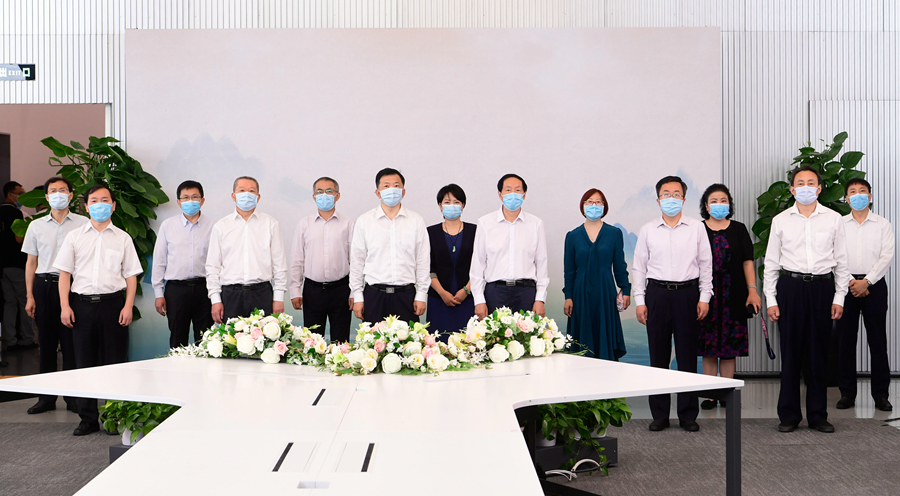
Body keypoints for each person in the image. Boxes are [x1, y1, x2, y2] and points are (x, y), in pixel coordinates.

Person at [764, 165, 850, 433]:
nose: (805, 187)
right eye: (800, 183)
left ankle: (817, 415)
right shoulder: (781, 220)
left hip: (822, 289)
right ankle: (789, 415)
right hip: (790, 289)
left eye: (811, 182)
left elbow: (842, 262)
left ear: (819, 188)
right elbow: (771, 263)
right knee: (790, 354)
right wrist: (771, 299)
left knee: (818, 354)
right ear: (792, 190)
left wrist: (839, 297)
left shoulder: (834, 219)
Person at [54, 184, 142, 436]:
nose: (99, 205)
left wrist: (128, 305)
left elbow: (131, 276)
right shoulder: (75, 237)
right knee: (84, 363)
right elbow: (64, 274)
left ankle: (114, 417)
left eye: (105, 200)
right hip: (81, 306)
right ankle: (88, 418)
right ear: (86, 206)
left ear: (113, 206)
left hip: (113, 305)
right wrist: (65, 306)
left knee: (115, 363)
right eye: (94, 200)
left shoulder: (123, 238)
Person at [633, 175, 712, 432]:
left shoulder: (696, 228)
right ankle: (660, 414)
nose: (671, 198)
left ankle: (688, 414)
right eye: (666, 194)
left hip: (688, 294)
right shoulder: (648, 229)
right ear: (658, 199)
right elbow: (639, 268)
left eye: (676, 194)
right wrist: (640, 301)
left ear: (684, 199)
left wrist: (704, 297)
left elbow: (705, 265)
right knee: (658, 356)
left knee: (687, 356)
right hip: (656, 294)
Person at [21, 177, 88, 414]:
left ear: (71, 195)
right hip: (44, 286)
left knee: (71, 345)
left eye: (63, 190)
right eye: (53, 191)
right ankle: (46, 398)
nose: (58, 194)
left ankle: (73, 398)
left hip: (72, 287)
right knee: (47, 345)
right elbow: (31, 262)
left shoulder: (83, 223)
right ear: (47, 197)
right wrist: (29, 295)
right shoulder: (36, 226)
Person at [696, 184, 761, 409]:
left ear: (729, 204)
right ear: (706, 206)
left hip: (734, 294)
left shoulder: (739, 229)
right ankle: (710, 395)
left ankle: (726, 393)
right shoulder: (697, 229)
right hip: (706, 295)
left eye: (723, 200)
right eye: (714, 201)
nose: (719, 204)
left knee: (729, 348)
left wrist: (752, 290)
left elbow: (747, 262)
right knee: (708, 348)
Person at [836, 178, 893, 412]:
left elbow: (887, 255)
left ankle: (881, 395)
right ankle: (847, 393)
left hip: (874, 285)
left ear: (870, 196)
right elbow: (834, 255)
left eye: (862, 191)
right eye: (852, 191)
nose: (857, 195)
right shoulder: (839, 224)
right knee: (845, 342)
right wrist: (852, 281)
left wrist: (867, 281)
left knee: (877, 341)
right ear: (846, 198)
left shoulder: (882, 224)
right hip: (846, 285)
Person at [350, 168, 430, 324]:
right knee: (372, 339)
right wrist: (358, 296)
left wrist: (421, 294)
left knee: (408, 339)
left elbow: (422, 260)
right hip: (374, 295)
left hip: (406, 295)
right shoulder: (365, 221)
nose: (391, 190)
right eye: (386, 186)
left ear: (403, 192)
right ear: (378, 193)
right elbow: (357, 261)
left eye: (396, 185)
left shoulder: (416, 220)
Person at [207, 176, 288, 322]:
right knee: (231, 336)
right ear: (233, 196)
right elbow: (212, 266)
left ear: (258, 197)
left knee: (264, 335)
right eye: (242, 190)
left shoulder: (271, 224)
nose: (247, 194)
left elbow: (279, 264)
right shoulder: (221, 226)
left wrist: (279, 298)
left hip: (262, 293)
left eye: (251, 191)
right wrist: (215, 299)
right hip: (230, 295)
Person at [563, 188, 631, 360]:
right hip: (580, 292)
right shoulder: (572, 236)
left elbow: (619, 265)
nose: (594, 205)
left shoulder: (614, 233)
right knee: (582, 337)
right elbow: (569, 270)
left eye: (598, 202)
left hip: (605, 290)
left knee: (604, 332)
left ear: (604, 206)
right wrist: (568, 296)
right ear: (583, 206)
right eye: (589, 202)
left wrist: (625, 289)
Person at [470, 173, 549, 319]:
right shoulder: (485, 223)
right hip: (495, 292)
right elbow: (478, 264)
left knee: (527, 333)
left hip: (526, 292)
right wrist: (479, 300)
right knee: (494, 333)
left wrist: (540, 299)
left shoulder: (536, 224)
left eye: (517, 190)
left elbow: (541, 263)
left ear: (524, 194)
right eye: (508, 190)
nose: (513, 193)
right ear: (500, 194)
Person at [290, 177, 354, 342]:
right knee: (312, 342)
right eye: (319, 191)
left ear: (337, 195)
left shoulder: (348, 224)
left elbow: (355, 260)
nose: (324, 195)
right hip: (313, 291)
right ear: (314, 196)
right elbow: (297, 259)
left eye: (329, 191)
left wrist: (354, 291)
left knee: (340, 342)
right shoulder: (304, 224)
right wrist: (295, 289)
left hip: (341, 289)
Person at [151, 180, 215, 348]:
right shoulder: (168, 226)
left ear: (202, 200)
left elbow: (218, 262)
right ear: (179, 202)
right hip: (176, 290)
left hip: (204, 289)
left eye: (195, 197)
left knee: (206, 339)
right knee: (177, 338)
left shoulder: (213, 227)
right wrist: (158, 293)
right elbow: (159, 261)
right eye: (185, 197)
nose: (190, 201)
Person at [427, 184, 476, 338]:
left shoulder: (475, 231)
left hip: (469, 298)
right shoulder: (430, 232)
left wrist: (466, 290)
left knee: (468, 343)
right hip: (438, 298)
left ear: (463, 205)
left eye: (456, 202)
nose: (452, 206)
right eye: (447, 202)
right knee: (438, 343)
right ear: (440, 206)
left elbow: (481, 265)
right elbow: (427, 267)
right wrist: (442, 293)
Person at [1, 180, 36, 350]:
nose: (22, 197)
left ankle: (10, 340)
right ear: (10, 195)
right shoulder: (16, 213)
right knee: (25, 302)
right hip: (16, 264)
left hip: (2, 266)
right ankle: (28, 339)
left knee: (9, 303)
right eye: (20, 194)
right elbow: (19, 239)